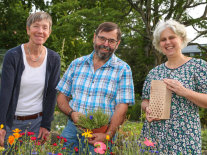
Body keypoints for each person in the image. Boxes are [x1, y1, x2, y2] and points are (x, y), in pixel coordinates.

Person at [56, 22, 135, 154]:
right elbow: (61, 96)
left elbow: (122, 107)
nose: (105, 44)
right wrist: (72, 113)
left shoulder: (123, 69)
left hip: (101, 132)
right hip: (72, 130)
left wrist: (108, 135)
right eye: (102, 38)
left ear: (118, 44)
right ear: (94, 37)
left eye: (111, 41)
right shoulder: (77, 64)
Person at [141, 19, 207, 155]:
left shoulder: (198, 66)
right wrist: (148, 109)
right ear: (159, 44)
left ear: (181, 39)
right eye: (163, 39)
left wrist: (184, 91)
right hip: (154, 135)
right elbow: (145, 100)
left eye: (172, 37)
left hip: (185, 138)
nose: (168, 42)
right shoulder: (154, 72)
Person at [0, 12, 60, 147]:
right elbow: (5, 92)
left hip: (37, 124)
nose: (40, 31)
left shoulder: (53, 58)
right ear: (28, 29)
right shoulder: (13, 55)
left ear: (49, 32)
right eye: (36, 26)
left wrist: (46, 125)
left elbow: (52, 94)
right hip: (11, 123)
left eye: (45, 28)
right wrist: (1, 125)